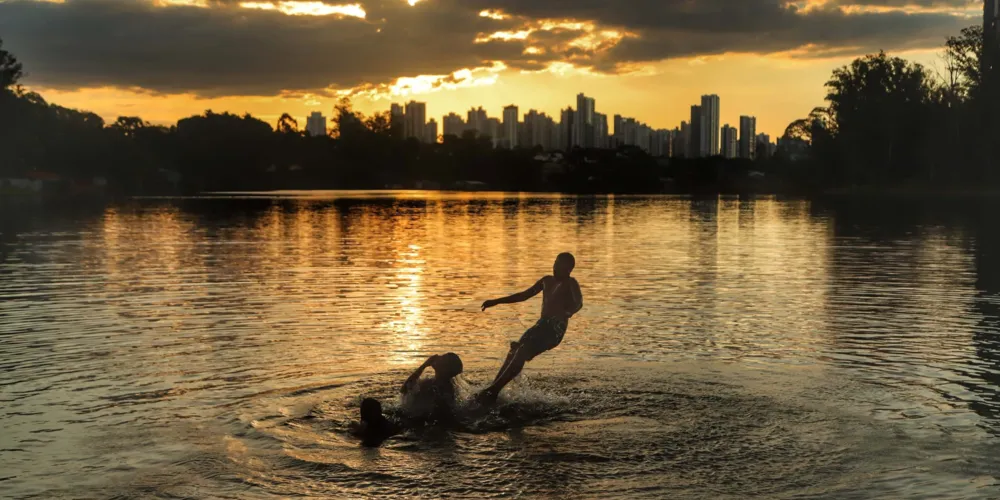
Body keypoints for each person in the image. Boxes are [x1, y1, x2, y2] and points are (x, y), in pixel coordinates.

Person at [477, 252, 583, 403]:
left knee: (522, 351)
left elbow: (579, 302)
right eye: (555, 263)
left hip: (555, 329)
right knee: (514, 349)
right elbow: (523, 295)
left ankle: (493, 392)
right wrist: (497, 301)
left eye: (559, 265)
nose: (555, 267)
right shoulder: (546, 281)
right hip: (540, 325)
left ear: (568, 269)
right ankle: (494, 387)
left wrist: (569, 311)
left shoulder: (571, 283)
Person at [399, 352, 464, 421]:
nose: (437, 356)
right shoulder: (436, 382)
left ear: (444, 368)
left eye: (442, 357)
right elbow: (405, 389)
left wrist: (424, 365)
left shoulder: (437, 386)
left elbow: (404, 389)